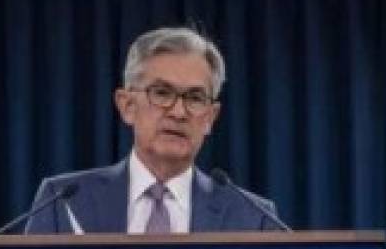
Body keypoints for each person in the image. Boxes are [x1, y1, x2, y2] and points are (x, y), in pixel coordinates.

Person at [24, 26, 280, 234]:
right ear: (127, 106)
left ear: (210, 118)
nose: (178, 112)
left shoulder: (254, 218)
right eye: (161, 93)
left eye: (195, 98)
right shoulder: (62, 202)